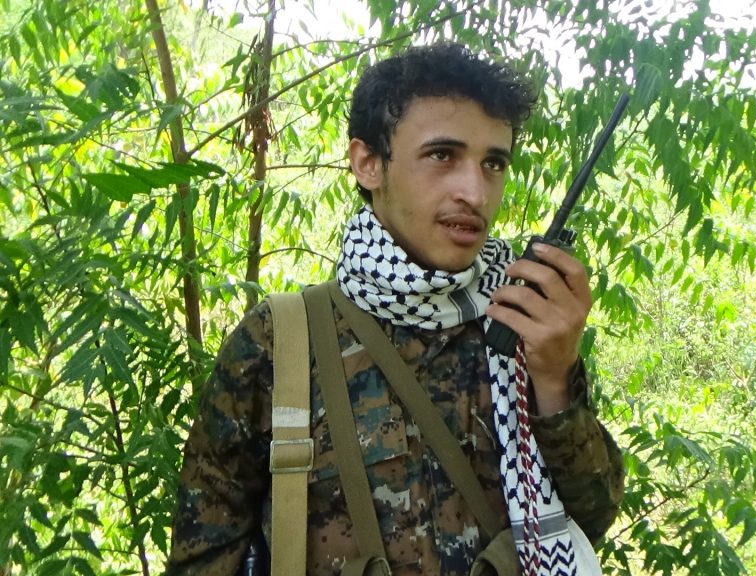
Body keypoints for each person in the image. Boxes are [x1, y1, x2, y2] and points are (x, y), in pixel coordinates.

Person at [165, 43, 624, 575]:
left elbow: (586, 522)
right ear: (368, 163)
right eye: (442, 155)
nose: (475, 192)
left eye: (493, 163)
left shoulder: (521, 325)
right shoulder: (279, 343)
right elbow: (203, 557)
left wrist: (555, 378)